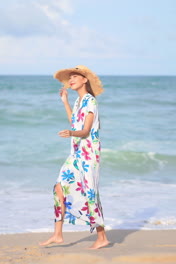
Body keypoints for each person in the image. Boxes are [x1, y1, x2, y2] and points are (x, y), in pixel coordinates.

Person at [39, 65, 109, 249]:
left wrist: (71, 133)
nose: (71, 80)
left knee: (90, 194)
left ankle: (102, 237)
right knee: (58, 188)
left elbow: (84, 131)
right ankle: (57, 235)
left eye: (75, 76)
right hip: (76, 153)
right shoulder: (79, 102)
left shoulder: (91, 101)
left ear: (85, 80)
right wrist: (65, 101)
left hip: (89, 155)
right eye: (69, 77)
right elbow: (75, 122)